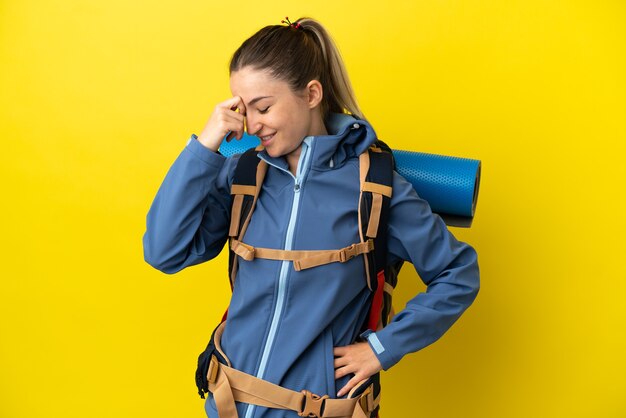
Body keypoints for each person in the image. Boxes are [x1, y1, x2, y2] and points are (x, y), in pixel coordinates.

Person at [143, 16, 480, 418]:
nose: (251, 124)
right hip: (227, 404)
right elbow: (163, 252)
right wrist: (206, 146)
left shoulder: (375, 184)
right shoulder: (243, 173)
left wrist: (382, 349)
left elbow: (458, 272)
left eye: (263, 107)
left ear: (312, 94)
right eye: (242, 108)